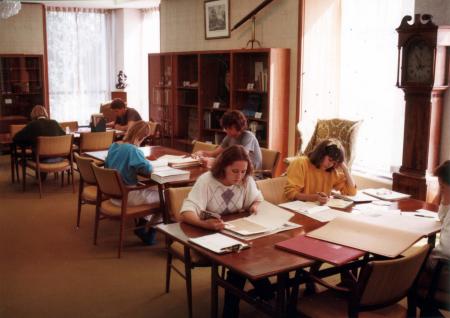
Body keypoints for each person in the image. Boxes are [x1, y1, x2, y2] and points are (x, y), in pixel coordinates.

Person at [180, 145, 272, 317]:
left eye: (243, 171)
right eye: (234, 171)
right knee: (243, 260)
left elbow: (258, 200)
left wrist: (254, 206)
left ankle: (245, 303)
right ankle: (264, 295)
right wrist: (204, 224)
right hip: (209, 235)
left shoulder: (246, 180)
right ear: (223, 167)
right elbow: (186, 213)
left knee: (254, 253)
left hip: (238, 232)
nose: (239, 176)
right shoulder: (207, 180)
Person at [104, 120, 160, 245]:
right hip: (127, 196)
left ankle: (142, 224)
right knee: (166, 196)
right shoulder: (133, 150)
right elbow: (148, 169)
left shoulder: (114, 145)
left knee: (155, 190)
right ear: (141, 136)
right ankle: (151, 232)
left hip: (114, 194)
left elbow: (107, 165)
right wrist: (143, 159)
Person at [418, 160, 450, 316]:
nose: (441, 191)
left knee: (405, 278)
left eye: (442, 187)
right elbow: (442, 217)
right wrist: (445, 199)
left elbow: (445, 251)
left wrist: (427, 260)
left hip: (446, 270)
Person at [284, 138, 357, 203]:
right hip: (295, 209)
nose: (330, 164)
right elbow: (291, 193)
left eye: (334, 162)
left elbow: (351, 192)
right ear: (321, 154)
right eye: (330, 160)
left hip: (317, 211)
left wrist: (345, 169)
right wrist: (315, 197)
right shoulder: (300, 163)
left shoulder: (332, 172)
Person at [193, 110, 262, 170]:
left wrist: (214, 161)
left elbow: (240, 158)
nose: (226, 131)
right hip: (235, 171)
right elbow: (214, 153)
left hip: (251, 175)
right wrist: (202, 153)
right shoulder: (229, 136)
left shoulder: (248, 136)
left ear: (238, 126)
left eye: (229, 128)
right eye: (226, 128)